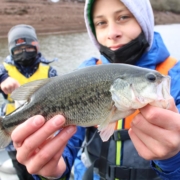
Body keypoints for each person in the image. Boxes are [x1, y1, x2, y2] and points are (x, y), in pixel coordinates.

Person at [10, 0, 180, 180]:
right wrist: (50, 172)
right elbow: (68, 143)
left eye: (123, 17)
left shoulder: (175, 78)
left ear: (144, 20)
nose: (112, 33)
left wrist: (174, 159)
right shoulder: (82, 73)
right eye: (101, 23)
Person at [0, 24, 58, 180]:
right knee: (22, 172)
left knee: (42, 169)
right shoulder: (4, 69)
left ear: (37, 46)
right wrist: (2, 78)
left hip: (42, 132)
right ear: (11, 51)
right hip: (13, 134)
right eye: (18, 50)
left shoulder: (49, 71)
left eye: (28, 47)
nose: (23, 53)